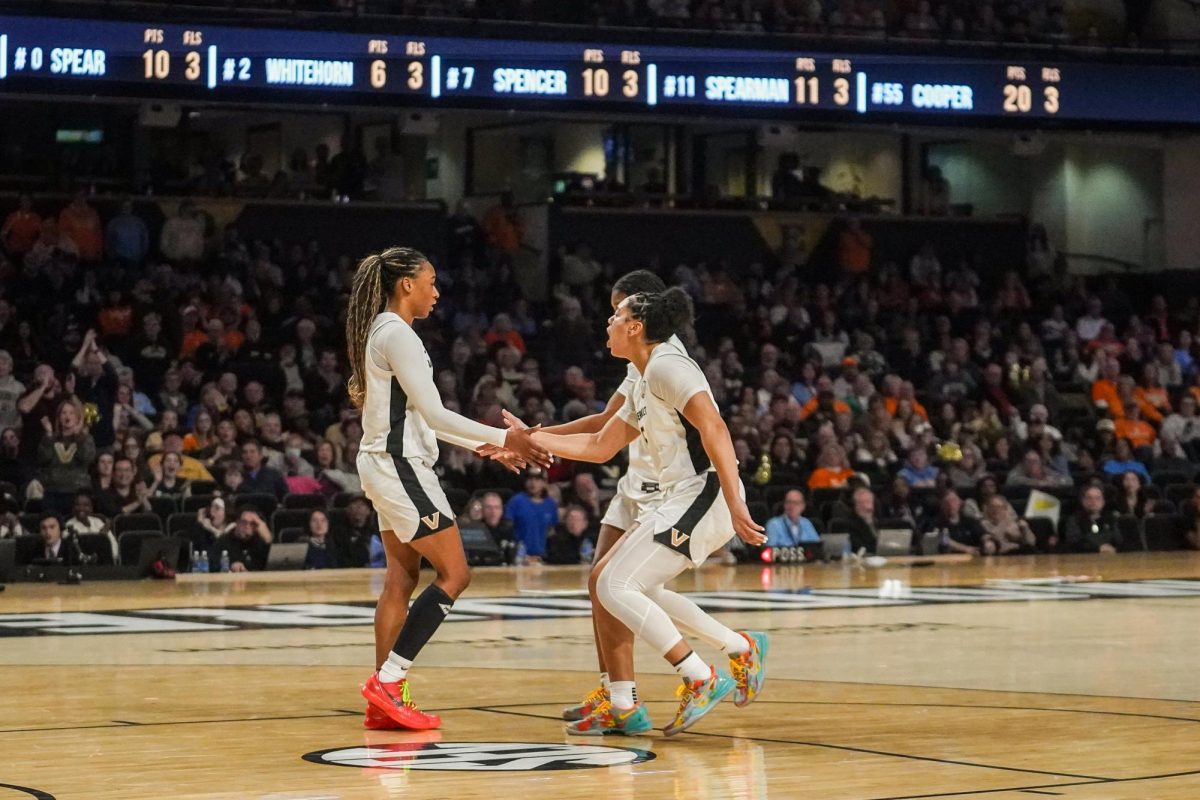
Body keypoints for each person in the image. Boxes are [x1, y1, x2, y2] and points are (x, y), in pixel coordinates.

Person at [526, 288, 768, 737]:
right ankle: (737, 647)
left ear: (636, 326)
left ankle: (698, 676)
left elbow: (714, 427)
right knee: (609, 583)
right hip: (675, 495)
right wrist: (533, 441)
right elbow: (601, 446)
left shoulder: (668, 366)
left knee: (615, 584)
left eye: (616, 315)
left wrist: (735, 503)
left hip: (703, 492)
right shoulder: (642, 375)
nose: (608, 322)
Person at [345, 246, 547, 732]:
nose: (437, 292)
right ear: (406, 285)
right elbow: (434, 415)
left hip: (384, 463)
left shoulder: (384, 331)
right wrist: (505, 437)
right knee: (456, 574)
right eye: (430, 282)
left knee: (400, 580)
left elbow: (425, 418)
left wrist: (487, 446)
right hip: (401, 467)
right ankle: (389, 683)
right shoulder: (398, 333)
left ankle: (383, 700)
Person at [504, 468, 558, 562]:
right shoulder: (516, 501)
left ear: (544, 482)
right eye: (530, 479)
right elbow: (507, 530)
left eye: (537, 479)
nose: (533, 483)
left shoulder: (550, 504)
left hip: (543, 558)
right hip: (519, 558)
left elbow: (552, 532)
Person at [1064, 485, 1123, 553]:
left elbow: (1119, 541)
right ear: (1083, 501)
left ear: (1103, 502)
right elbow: (1074, 543)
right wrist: (1097, 549)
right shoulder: (1074, 520)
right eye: (1089, 498)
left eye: (1097, 498)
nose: (1093, 501)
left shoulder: (1112, 519)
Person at [213, 507, 272, 572]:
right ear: (237, 522)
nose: (247, 526)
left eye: (252, 523)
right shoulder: (224, 541)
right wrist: (230, 565)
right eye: (244, 522)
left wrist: (267, 538)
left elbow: (273, 566)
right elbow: (212, 563)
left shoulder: (259, 542)